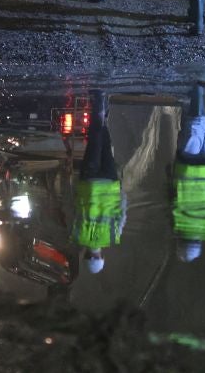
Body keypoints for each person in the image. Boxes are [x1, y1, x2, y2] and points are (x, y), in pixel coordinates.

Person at [72, 90, 126, 276]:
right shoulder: (78, 236)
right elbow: (72, 208)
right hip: (89, 183)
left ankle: (103, 111)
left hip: (110, 183)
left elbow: (122, 212)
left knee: (105, 145)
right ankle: (99, 104)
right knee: (95, 142)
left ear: (101, 257)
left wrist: (121, 191)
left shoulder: (112, 237)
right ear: (86, 256)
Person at [171, 82, 205, 264]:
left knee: (202, 131)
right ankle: (197, 90)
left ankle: (195, 98)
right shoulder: (178, 224)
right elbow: (171, 197)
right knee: (194, 130)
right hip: (189, 168)